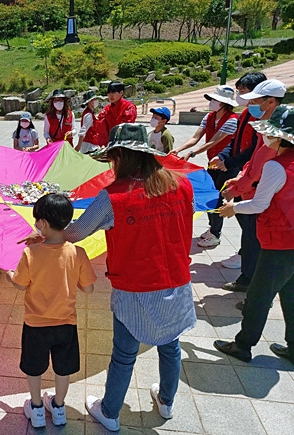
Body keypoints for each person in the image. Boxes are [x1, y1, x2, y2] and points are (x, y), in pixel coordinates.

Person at [21, 124, 196, 432]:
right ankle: (167, 402)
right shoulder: (181, 184)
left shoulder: (113, 198)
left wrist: (46, 235)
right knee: (171, 345)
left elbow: (75, 233)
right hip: (177, 280)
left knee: (124, 354)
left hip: (135, 286)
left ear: (119, 156)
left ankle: (110, 412)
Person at [7, 193, 96, 428]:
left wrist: (8, 273)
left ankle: (36, 409)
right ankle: (58, 407)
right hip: (66, 324)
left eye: (37, 221)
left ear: (43, 223)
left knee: (34, 368)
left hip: (35, 325)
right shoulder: (77, 253)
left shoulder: (30, 253)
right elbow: (88, 289)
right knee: (62, 369)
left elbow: (19, 284)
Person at [214, 106, 294, 365]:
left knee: (259, 296)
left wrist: (232, 208)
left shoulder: (276, 166)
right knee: (290, 293)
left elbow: (259, 204)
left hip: (280, 239)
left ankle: (243, 345)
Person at [220, 79, 286, 294]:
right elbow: (253, 161)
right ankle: (249, 281)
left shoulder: (275, 133)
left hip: (260, 196)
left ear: (271, 102)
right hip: (251, 189)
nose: (251, 105)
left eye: (256, 101)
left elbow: (261, 168)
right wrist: (240, 177)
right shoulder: (264, 127)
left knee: (255, 244)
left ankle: (252, 287)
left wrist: (236, 190)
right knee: (250, 241)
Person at [207, 72, 267, 275]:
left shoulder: (263, 118)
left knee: (248, 217)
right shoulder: (245, 114)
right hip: (238, 170)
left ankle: (248, 260)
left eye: (244, 92)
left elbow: (254, 150)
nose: (240, 96)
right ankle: (246, 254)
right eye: (239, 91)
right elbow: (235, 142)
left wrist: (230, 163)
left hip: (248, 174)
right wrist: (223, 157)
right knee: (243, 217)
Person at [171, 85, 239, 249]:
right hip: (213, 164)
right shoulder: (209, 117)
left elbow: (213, 141)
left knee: (217, 198)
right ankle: (212, 229)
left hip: (226, 165)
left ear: (224, 103)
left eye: (216, 100)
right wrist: (179, 150)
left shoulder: (232, 120)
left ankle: (216, 234)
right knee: (210, 195)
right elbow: (195, 137)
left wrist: (192, 154)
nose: (212, 103)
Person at [97, 81, 137, 147]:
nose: (110, 95)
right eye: (109, 92)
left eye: (113, 92)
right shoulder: (106, 109)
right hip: (109, 144)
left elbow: (126, 128)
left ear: (121, 92)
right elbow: (101, 129)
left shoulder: (129, 107)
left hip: (124, 144)